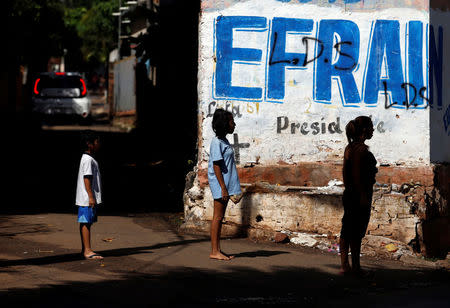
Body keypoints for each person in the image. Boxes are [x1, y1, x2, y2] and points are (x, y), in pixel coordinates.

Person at [340, 116, 377, 276]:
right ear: (364, 131)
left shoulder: (350, 148)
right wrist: (361, 195)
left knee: (347, 230)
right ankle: (354, 267)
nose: (373, 130)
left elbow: (346, 173)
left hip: (350, 193)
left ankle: (346, 266)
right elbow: (356, 173)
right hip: (359, 194)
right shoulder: (360, 150)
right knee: (355, 232)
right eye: (371, 127)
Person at [208, 109, 242, 260]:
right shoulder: (216, 142)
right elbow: (216, 166)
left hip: (225, 184)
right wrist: (223, 187)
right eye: (231, 121)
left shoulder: (224, 141)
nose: (233, 124)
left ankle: (217, 250)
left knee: (219, 217)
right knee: (217, 217)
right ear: (224, 124)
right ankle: (215, 251)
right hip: (220, 184)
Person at [76, 130, 103, 260]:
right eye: (97, 141)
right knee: (86, 222)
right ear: (89, 143)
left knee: (87, 222)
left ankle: (85, 249)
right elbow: (87, 178)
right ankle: (87, 250)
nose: (99, 144)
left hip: (87, 197)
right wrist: (91, 196)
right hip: (87, 198)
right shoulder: (87, 160)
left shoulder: (89, 159)